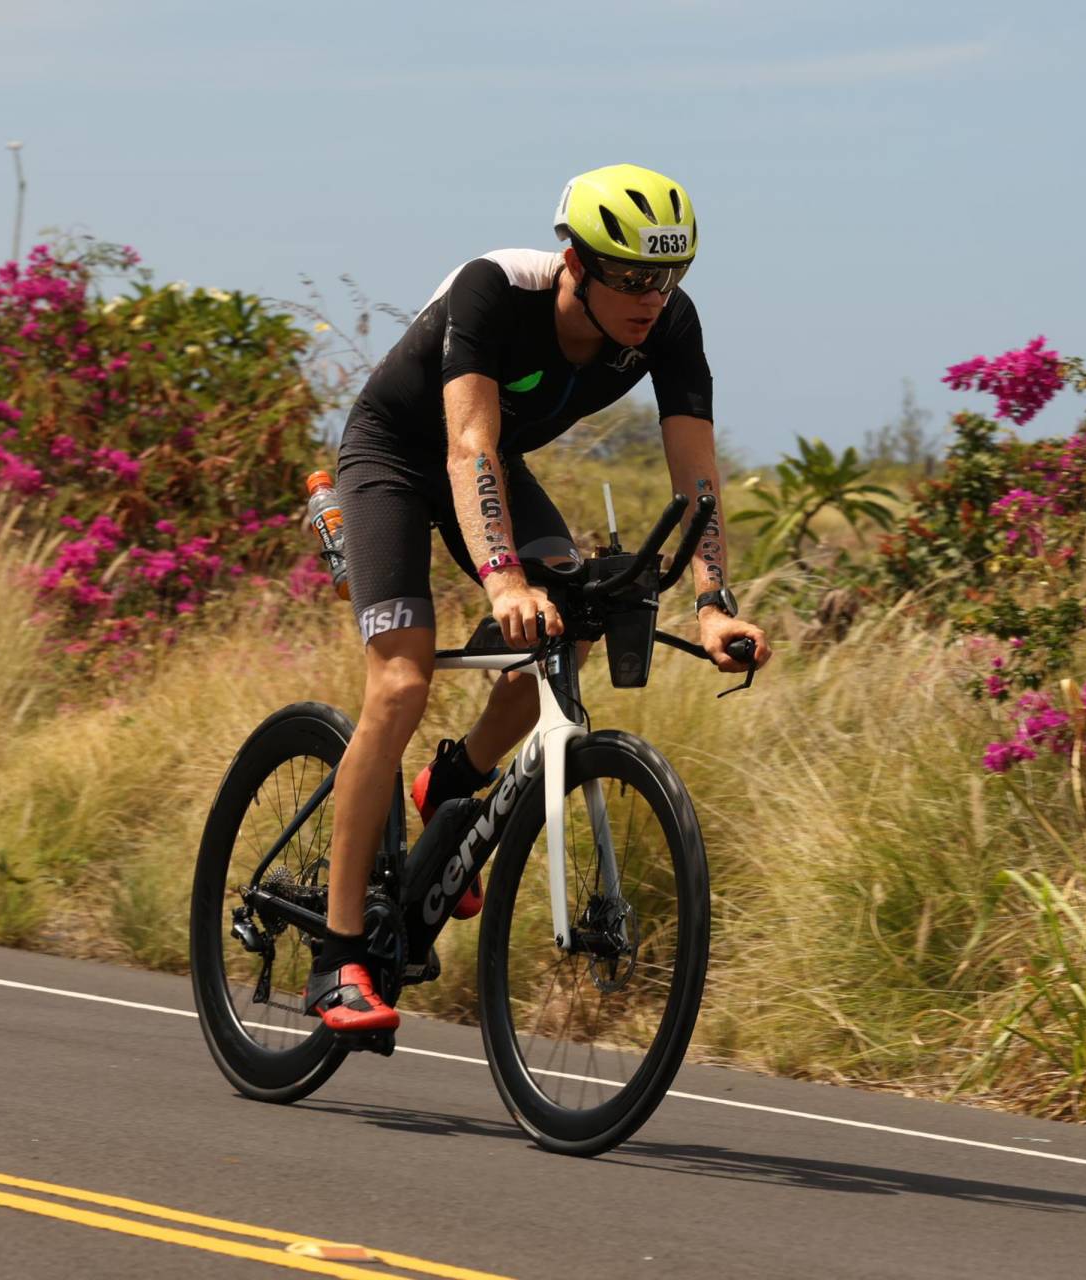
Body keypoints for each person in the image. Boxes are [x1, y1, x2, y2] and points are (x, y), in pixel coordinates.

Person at [305, 163, 771, 1033]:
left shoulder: (669, 325)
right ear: (575, 263)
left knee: (574, 626)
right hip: (400, 458)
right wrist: (503, 578)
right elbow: (469, 447)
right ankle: (337, 959)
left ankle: (448, 784)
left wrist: (714, 601)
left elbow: (696, 475)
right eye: (631, 278)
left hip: (489, 472)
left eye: (668, 278)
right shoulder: (497, 292)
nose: (651, 298)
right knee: (402, 681)